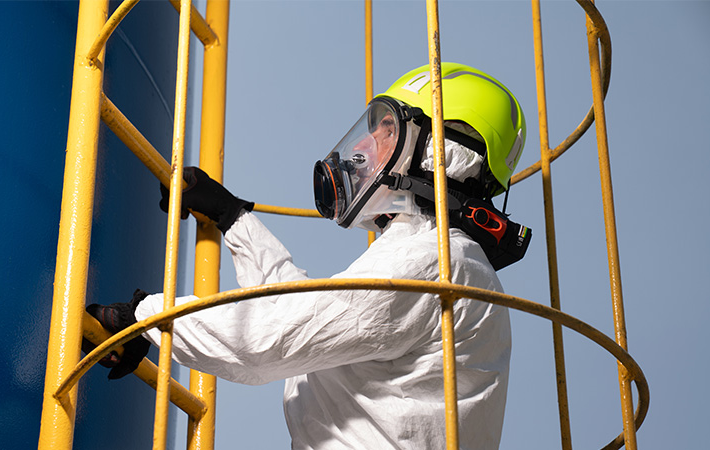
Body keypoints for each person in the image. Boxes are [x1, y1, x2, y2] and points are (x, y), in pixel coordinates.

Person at [87, 62, 528, 449]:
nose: (366, 148)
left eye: (388, 130)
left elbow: (266, 340)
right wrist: (233, 218)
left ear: (439, 153)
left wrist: (143, 317)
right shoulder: (438, 257)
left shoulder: (433, 262)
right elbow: (303, 315)